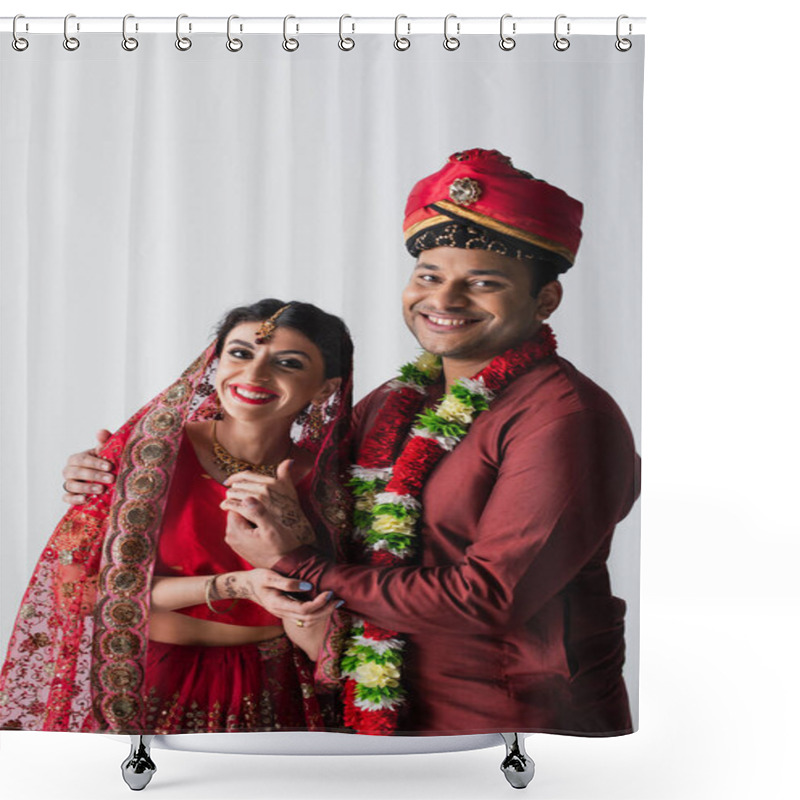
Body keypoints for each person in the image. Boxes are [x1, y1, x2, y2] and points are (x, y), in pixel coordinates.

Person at [58, 149, 641, 738]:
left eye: (483, 283)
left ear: (545, 300)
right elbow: (292, 458)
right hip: (366, 707)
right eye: (429, 276)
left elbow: (487, 597)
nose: (444, 300)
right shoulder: (395, 401)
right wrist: (114, 468)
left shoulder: (566, 419)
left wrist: (299, 564)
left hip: (514, 722)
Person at [0, 299, 353, 734]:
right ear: (214, 361)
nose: (256, 375)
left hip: (273, 693)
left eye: (287, 363)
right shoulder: (144, 455)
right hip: (143, 681)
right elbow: (79, 592)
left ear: (324, 388)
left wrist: (289, 551)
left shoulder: (328, 487)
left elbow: (329, 637)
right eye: (240, 353)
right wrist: (235, 586)